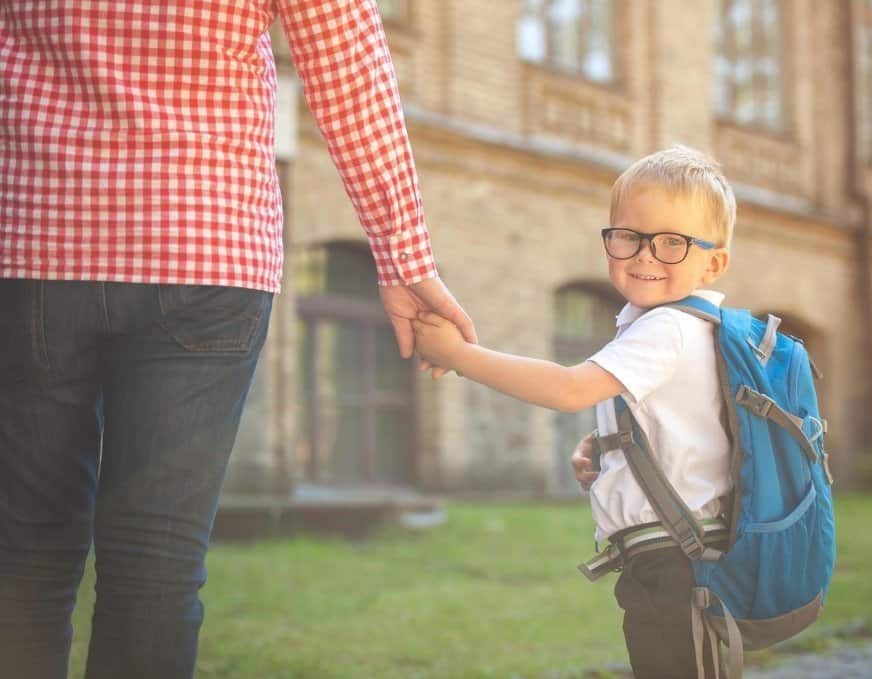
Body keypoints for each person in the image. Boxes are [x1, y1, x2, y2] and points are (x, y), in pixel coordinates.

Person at [0, 2, 473, 678]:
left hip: (35, 237)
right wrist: (405, 258)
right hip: (205, 240)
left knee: (25, 551)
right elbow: (347, 63)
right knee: (156, 564)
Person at [414, 145, 736, 679]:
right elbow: (687, 425)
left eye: (672, 243)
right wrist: (606, 447)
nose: (644, 256)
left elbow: (567, 388)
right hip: (680, 556)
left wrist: (460, 356)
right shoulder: (681, 326)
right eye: (629, 236)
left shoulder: (666, 327)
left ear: (713, 262)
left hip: (676, 561)